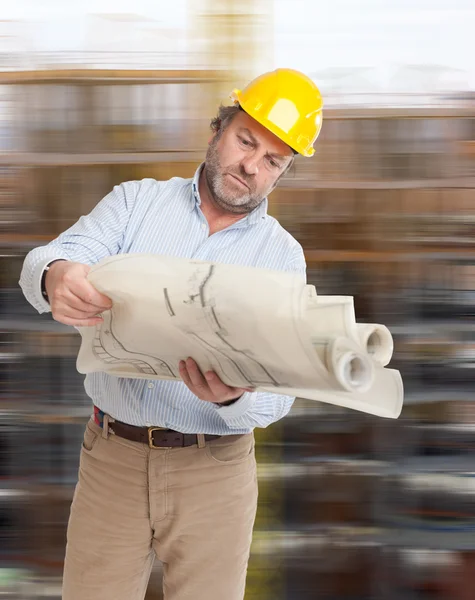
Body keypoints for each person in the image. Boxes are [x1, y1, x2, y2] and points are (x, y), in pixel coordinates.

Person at [19, 68, 323, 600]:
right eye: (244, 140)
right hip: (113, 457)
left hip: (217, 471)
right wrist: (55, 276)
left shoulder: (282, 258)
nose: (250, 165)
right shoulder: (136, 203)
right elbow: (45, 260)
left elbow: (281, 394)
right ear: (217, 130)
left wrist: (235, 397)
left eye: (272, 160)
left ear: (284, 172)